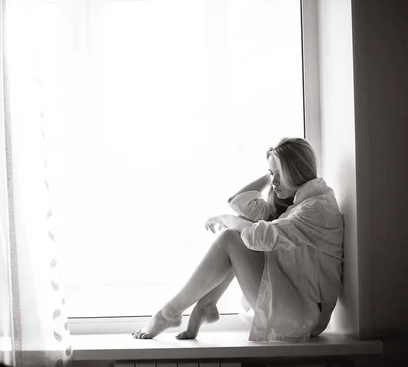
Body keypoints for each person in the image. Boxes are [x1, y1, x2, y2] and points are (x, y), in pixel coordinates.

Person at [132, 137, 344, 342]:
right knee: (238, 229)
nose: (274, 183)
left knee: (231, 237)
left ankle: (170, 313)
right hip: (300, 310)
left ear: (297, 170)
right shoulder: (299, 203)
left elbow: (255, 236)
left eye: (280, 174)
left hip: (303, 319)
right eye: (272, 174)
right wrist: (271, 173)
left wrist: (227, 219)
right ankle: (205, 306)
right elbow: (239, 202)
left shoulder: (315, 209)